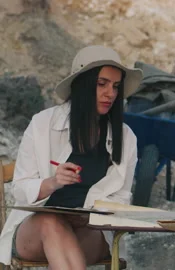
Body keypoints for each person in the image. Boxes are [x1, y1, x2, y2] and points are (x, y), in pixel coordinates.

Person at [0, 45, 142, 269]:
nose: (110, 94)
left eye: (115, 87)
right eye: (101, 84)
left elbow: (122, 198)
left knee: (64, 243)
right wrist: (52, 183)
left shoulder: (125, 137)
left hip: (90, 231)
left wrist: (91, 216)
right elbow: (19, 188)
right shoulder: (42, 124)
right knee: (51, 223)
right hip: (34, 231)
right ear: (83, 84)